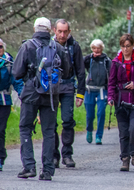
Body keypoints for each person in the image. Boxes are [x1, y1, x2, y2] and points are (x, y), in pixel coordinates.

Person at [13, 17, 69, 181]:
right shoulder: (57, 47)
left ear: (35, 28)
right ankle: (47, 171)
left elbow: (16, 72)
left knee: (25, 128)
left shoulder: (27, 46)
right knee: (49, 132)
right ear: (50, 29)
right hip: (51, 94)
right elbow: (66, 71)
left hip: (31, 93)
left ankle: (29, 166)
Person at [108, 33, 134, 171]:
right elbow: (111, 82)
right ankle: (125, 159)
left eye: (128, 46)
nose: (125, 49)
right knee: (123, 132)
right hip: (120, 102)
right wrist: (110, 98)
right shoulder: (116, 62)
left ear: (133, 46)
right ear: (120, 47)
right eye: (123, 46)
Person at [0, 38, 23, 171]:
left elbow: (16, 80)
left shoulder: (9, 63)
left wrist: (22, 95)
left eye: (0, 46)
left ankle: (0, 158)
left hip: (4, 101)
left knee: (0, 131)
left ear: (4, 48)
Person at [52, 19, 85, 168]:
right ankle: (53, 156)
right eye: (60, 31)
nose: (62, 34)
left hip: (68, 87)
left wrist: (80, 94)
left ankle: (67, 155)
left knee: (68, 120)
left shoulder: (74, 46)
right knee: (51, 122)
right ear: (54, 30)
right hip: (51, 90)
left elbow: (81, 71)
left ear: (69, 32)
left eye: (65, 31)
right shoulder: (48, 45)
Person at [83, 39, 111, 145]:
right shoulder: (88, 59)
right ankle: (89, 131)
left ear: (102, 48)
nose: (96, 50)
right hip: (89, 90)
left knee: (101, 113)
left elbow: (111, 76)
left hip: (102, 90)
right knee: (90, 115)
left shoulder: (107, 60)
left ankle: (99, 136)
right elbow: (80, 67)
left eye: (98, 48)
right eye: (94, 48)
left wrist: (111, 93)